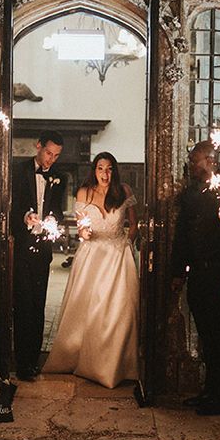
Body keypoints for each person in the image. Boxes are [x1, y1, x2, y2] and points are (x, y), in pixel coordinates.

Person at [42, 152, 139, 388]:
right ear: (94, 171)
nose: (105, 174)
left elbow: (134, 224)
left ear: (114, 171)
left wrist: (127, 243)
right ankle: (80, 357)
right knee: (87, 307)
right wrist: (84, 234)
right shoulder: (84, 192)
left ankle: (114, 364)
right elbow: (81, 226)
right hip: (92, 255)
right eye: (100, 168)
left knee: (119, 310)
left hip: (118, 254)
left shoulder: (124, 190)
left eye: (109, 169)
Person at [171, 141, 220, 416]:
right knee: (206, 332)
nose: (192, 165)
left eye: (196, 160)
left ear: (211, 160)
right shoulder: (191, 192)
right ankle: (209, 390)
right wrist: (178, 271)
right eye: (191, 161)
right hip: (199, 272)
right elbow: (183, 233)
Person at [11, 130, 66, 382]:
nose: (50, 160)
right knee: (23, 304)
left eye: (55, 156)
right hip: (21, 247)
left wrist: (53, 219)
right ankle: (22, 363)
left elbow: (59, 212)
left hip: (43, 251)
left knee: (39, 305)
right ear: (38, 146)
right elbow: (9, 207)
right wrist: (25, 217)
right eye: (47, 153)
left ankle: (33, 361)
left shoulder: (59, 178)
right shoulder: (17, 170)